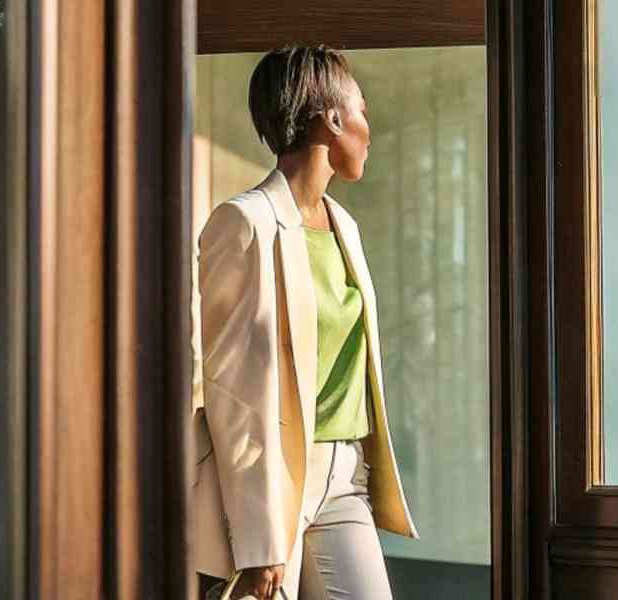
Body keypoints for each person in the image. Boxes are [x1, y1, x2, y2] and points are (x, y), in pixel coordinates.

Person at [190, 45, 416, 600]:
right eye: (360, 111)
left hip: (345, 477)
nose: (369, 127)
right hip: (277, 482)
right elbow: (232, 392)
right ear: (332, 120)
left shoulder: (344, 226)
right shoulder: (243, 224)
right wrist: (260, 536)